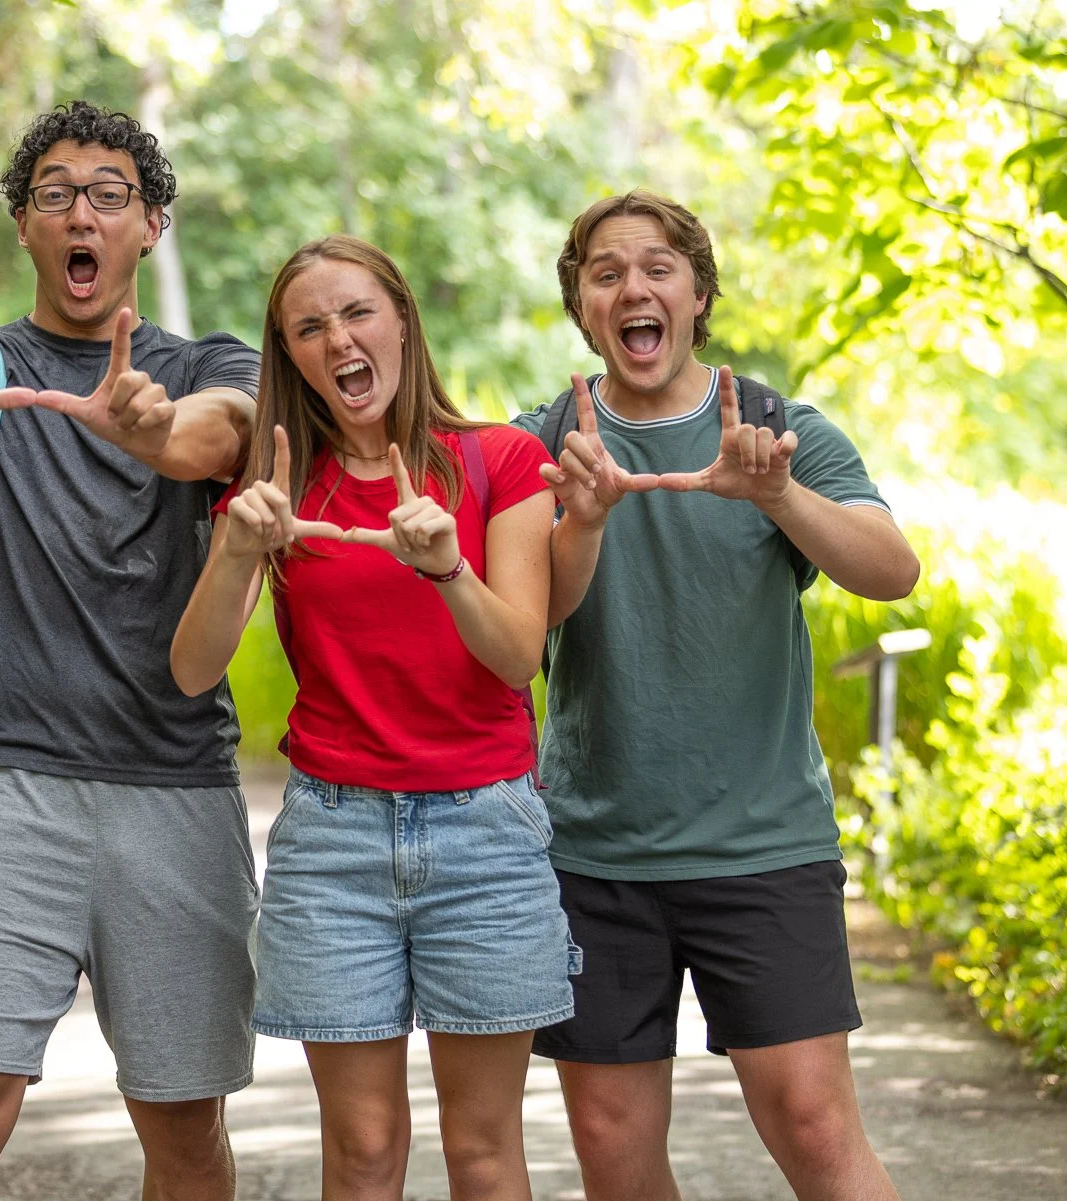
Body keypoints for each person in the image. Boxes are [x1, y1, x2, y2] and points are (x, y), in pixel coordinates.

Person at [0, 101, 260, 1201]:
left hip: (175, 788)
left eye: (107, 195)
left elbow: (226, 432)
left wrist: (153, 428)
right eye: (54, 195)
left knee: (184, 1125)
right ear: (25, 225)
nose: (80, 214)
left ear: (151, 224)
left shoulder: (207, 362)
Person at [517, 189, 921, 1201]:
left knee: (816, 1128)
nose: (633, 288)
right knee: (613, 1150)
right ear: (582, 305)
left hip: (763, 846)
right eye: (606, 273)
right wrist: (578, 518)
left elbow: (892, 568)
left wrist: (779, 494)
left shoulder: (780, 431)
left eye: (658, 267)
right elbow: (517, 628)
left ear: (697, 293)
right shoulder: (543, 443)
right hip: (595, 855)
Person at [172, 234, 573, 1201]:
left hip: (485, 832)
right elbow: (192, 670)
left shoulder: (502, 460)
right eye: (310, 327)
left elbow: (518, 655)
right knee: (360, 1150)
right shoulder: (277, 486)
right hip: (334, 839)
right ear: (290, 353)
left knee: (483, 1150)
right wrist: (237, 549)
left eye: (357, 313)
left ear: (401, 321)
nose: (340, 340)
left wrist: (448, 569)